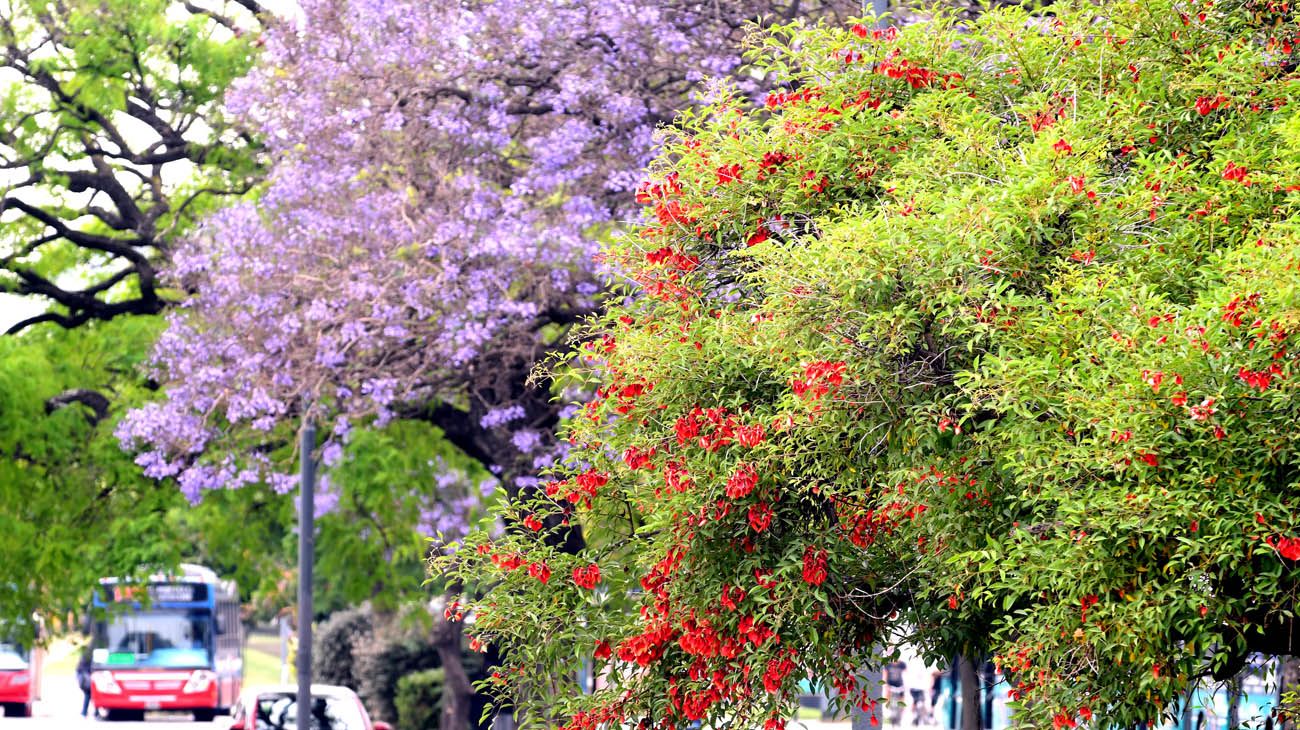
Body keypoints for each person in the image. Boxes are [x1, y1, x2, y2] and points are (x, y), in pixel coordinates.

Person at [76, 649, 93, 717]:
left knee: (88, 694)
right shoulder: (89, 656)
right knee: (88, 694)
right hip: (85, 677)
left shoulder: (86, 655)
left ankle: (85, 711)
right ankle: (85, 711)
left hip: (83, 676)